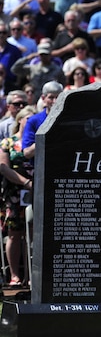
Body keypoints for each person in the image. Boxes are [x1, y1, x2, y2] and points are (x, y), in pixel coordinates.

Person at [0, 105, 35, 287]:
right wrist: (25, 182)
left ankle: (32, 276)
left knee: (34, 235)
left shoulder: (39, 141)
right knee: (15, 234)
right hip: (14, 194)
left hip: (36, 192)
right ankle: (14, 275)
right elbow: (3, 167)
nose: (31, 123)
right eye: (28, 119)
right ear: (20, 120)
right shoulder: (8, 142)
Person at [22, 80, 63, 161]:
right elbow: (27, 153)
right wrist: (45, 139)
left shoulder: (68, 120)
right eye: (51, 97)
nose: (55, 101)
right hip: (41, 168)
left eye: (58, 97)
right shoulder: (34, 121)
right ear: (43, 98)